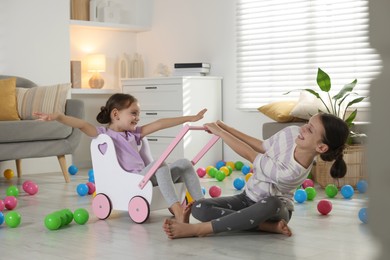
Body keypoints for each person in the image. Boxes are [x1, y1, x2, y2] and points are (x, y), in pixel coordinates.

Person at [163, 113, 349, 238]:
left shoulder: (291, 172)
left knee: (272, 202)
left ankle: (198, 230)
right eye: (307, 124)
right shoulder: (292, 133)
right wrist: (225, 127)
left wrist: (220, 133)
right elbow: (261, 146)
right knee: (200, 207)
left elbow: (251, 155)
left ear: (321, 147)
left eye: (310, 130)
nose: (302, 128)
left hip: (274, 209)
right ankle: (264, 226)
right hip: (247, 198)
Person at [34, 93, 207, 223]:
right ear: (116, 114)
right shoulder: (104, 134)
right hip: (132, 180)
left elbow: (160, 123)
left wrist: (190, 118)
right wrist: (58, 117)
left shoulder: (135, 134)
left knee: (184, 163)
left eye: (138, 114)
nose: (137, 118)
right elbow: (82, 125)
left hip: (146, 177)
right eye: (133, 113)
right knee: (160, 165)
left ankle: (203, 206)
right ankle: (178, 210)